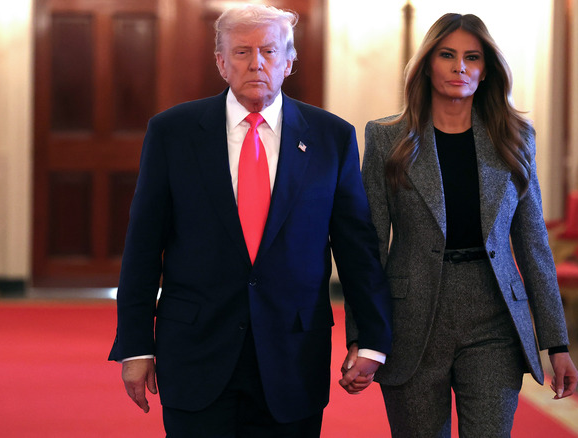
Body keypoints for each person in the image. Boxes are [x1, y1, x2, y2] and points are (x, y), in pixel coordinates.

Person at [108, 4, 393, 437]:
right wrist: (134, 346)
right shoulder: (172, 133)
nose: (256, 63)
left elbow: (357, 249)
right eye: (241, 52)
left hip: (293, 355)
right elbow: (144, 247)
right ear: (221, 63)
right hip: (196, 352)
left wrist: (370, 337)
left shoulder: (331, 137)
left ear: (289, 60)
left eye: (269, 51)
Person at [343, 13, 578, 437]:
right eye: (447, 55)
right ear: (427, 64)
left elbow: (533, 244)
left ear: (486, 68)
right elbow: (370, 246)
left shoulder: (515, 137)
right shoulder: (386, 139)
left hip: (494, 316)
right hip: (412, 317)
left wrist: (556, 343)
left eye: (472, 57)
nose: (460, 67)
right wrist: (363, 340)